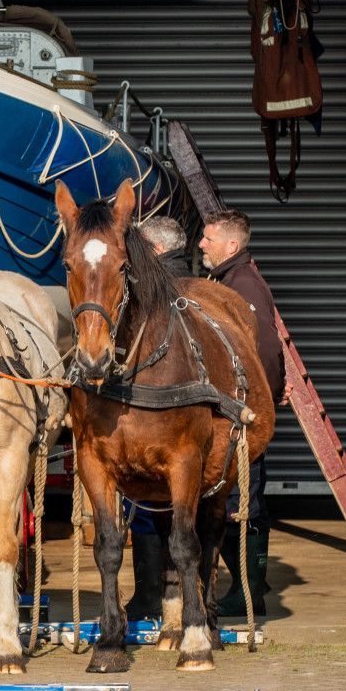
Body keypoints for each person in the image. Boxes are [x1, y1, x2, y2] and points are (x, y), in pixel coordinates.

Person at [198, 209, 285, 617]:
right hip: (233, 412)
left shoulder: (244, 285)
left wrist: (261, 398)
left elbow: (264, 349)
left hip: (242, 416)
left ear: (231, 246)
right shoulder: (227, 279)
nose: (201, 244)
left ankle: (248, 589)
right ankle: (246, 582)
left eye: (208, 239)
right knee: (236, 497)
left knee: (243, 501)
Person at [119, 215, 195, 620]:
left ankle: (152, 595)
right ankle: (174, 595)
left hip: (152, 419)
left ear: (157, 251)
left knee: (147, 512)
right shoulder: (197, 288)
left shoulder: (155, 294)